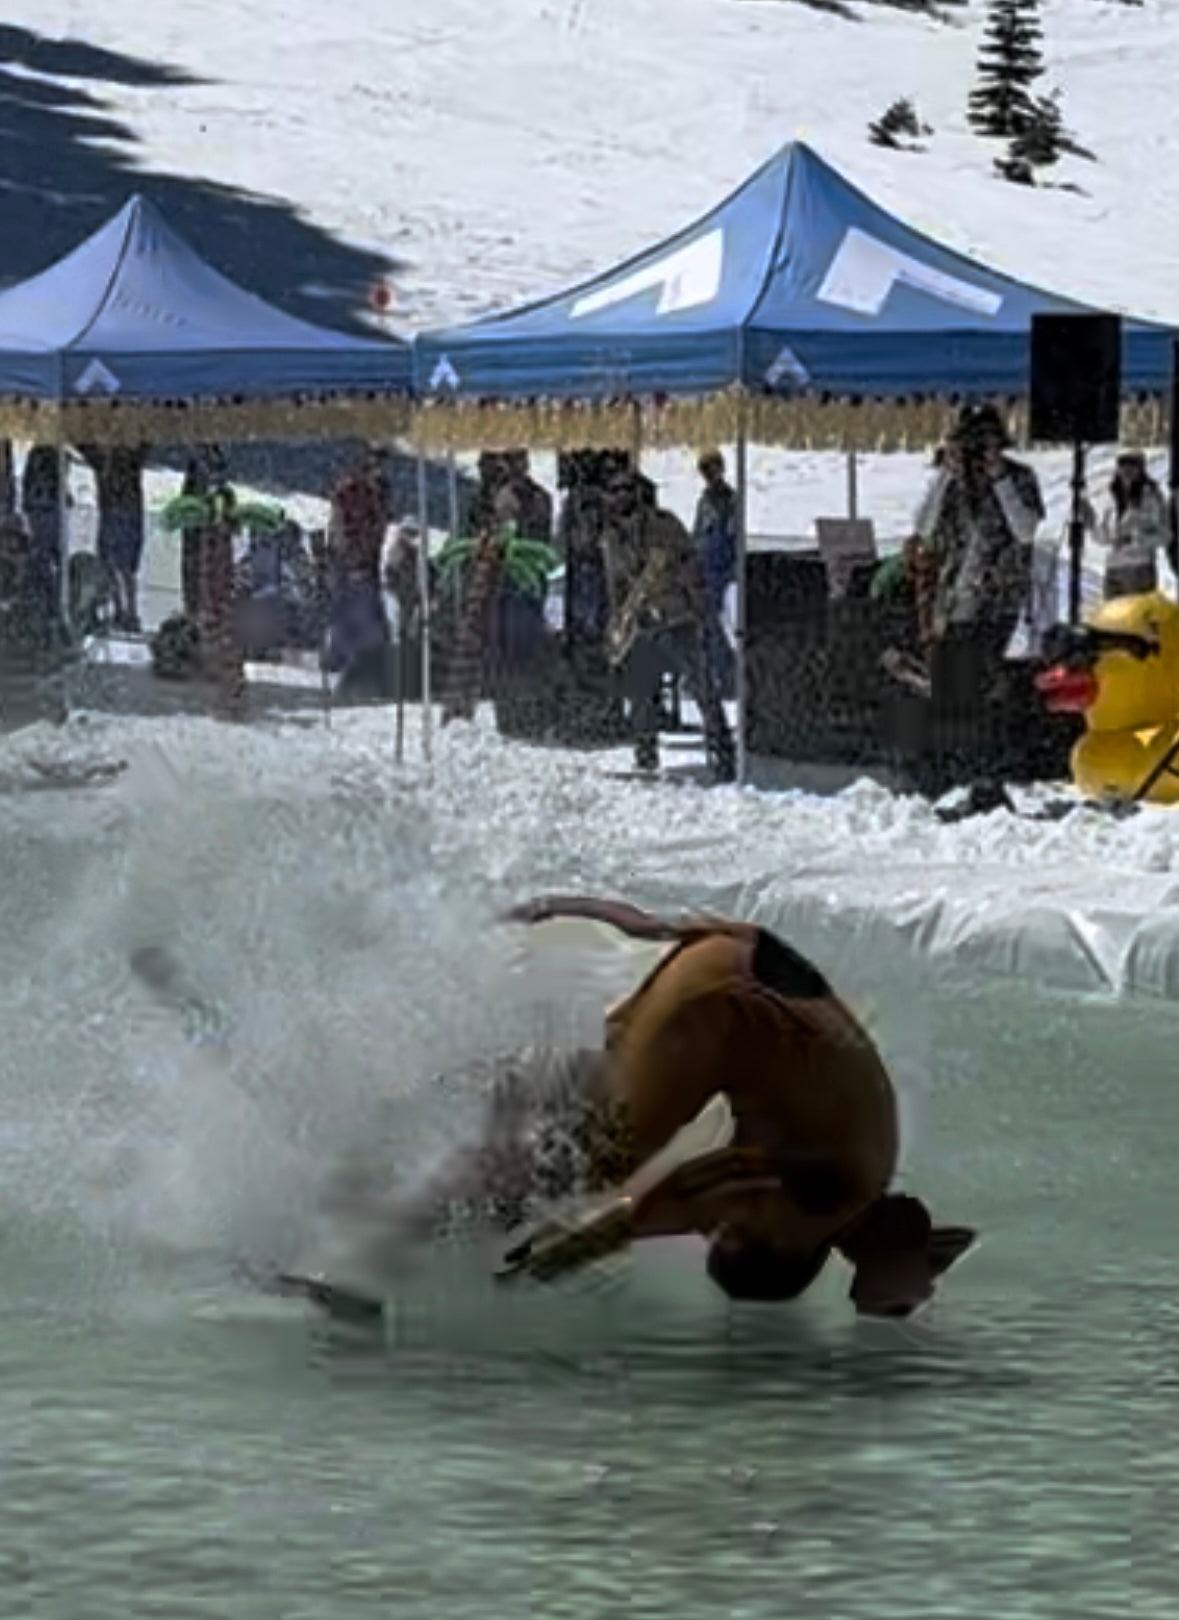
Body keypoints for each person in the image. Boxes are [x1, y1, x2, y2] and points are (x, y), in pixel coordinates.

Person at [400, 895, 976, 1319]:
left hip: (745, 963)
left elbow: (673, 1206)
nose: (710, 1221)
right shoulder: (822, 1195)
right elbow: (679, 1195)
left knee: (600, 1129)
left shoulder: (849, 1189)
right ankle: (401, 1237)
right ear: (772, 1239)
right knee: (593, 1161)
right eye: (725, 1229)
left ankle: (492, 1092)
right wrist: (552, 1261)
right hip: (724, 1000)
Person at [603, 471, 735, 782]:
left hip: (676, 618)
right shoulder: (610, 537)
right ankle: (645, 752)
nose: (619, 496)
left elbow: (691, 565)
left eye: (625, 489)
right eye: (614, 490)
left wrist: (696, 608)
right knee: (640, 694)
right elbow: (615, 584)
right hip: (640, 624)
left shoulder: (663, 524)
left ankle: (722, 751)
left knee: (702, 688)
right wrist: (618, 621)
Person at [912, 404, 1044, 670]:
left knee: (985, 670)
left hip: (999, 594)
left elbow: (1025, 531)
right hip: (954, 593)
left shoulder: (1019, 477)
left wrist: (1000, 480)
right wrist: (945, 474)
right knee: (951, 670)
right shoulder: (952, 481)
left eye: (984, 442)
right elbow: (923, 528)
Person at [1097, 450, 1168, 600]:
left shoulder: (1152, 495)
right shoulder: (1109, 495)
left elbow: (1165, 534)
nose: (1127, 470)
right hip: (1114, 567)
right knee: (1112, 618)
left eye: (1132, 465)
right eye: (1122, 464)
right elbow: (1101, 533)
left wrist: (1139, 539)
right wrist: (1092, 524)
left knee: (1137, 619)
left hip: (1140, 568)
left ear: (1141, 469)